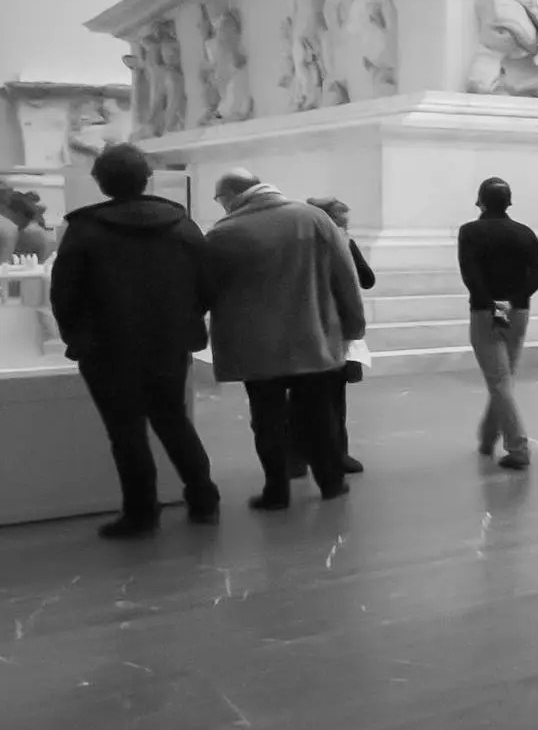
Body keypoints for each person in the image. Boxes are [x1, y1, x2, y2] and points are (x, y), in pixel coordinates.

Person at [49, 143, 220, 538]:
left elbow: (65, 294)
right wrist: (184, 319)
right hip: (167, 342)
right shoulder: (182, 225)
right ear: (146, 179)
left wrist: (77, 337)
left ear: (101, 183)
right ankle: (203, 498)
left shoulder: (85, 229)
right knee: (173, 420)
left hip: (106, 347)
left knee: (126, 432)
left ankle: (142, 512)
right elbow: (209, 285)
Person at [206, 169, 365, 509]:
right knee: (319, 415)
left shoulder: (224, 233)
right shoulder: (314, 219)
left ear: (232, 194)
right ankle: (331, 483)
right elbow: (345, 275)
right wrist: (354, 326)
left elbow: (207, 292)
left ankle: (276, 491)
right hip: (315, 337)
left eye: (219, 200)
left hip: (257, 347)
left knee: (267, 420)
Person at [457, 177, 538, 471]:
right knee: (503, 378)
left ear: (480, 201)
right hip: (518, 311)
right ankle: (486, 437)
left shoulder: (470, 232)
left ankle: (517, 446)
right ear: (509, 202)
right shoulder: (524, 232)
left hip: (485, 311)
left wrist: (494, 305)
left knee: (498, 380)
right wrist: (512, 300)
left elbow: (471, 275)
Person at [306, 197, 373, 476]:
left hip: (305, 328)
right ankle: (336, 454)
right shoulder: (344, 244)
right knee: (333, 398)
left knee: (303, 397)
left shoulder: (299, 245)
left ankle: (298, 457)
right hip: (335, 329)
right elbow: (366, 281)